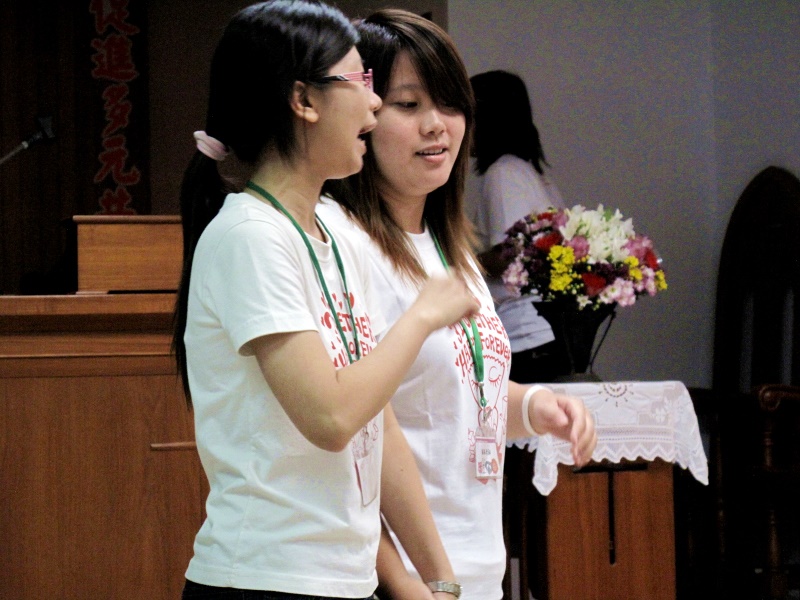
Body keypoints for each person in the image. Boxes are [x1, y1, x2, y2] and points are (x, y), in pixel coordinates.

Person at [172, 2, 481, 599]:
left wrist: (439, 581)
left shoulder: (338, 235)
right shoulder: (249, 237)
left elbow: (375, 419)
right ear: (304, 100)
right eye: (359, 80)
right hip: (264, 580)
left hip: (342, 581)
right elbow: (332, 418)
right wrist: (421, 316)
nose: (373, 102)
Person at [320, 10, 597, 600]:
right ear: (362, 113)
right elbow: (340, 439)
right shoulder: (338, 242)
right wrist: (406, 583)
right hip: (396, 580)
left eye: (450, 104)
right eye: (408, 104)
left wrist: (536, 406)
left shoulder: (452, 248)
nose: (436, 125)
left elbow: (456, 399)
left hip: (473, 569)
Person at [465, 69, 567, 384]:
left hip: (523, 334)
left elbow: (510, 256)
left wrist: (456, 264)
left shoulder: (502, 175)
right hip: (548, 332)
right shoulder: (533, 175)